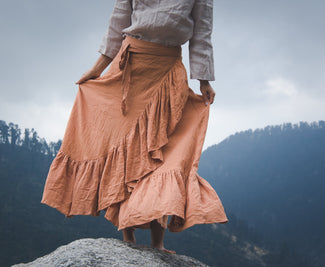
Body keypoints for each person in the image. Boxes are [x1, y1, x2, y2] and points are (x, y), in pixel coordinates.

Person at [41, 0, 228, 254]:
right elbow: (118, 21)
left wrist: (204, 81)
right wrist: (96, 70)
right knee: (123, 151)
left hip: (167, 73)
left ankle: (157, 243)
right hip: (128, 67)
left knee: (164, 156)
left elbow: (202, 34)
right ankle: (127, 236)